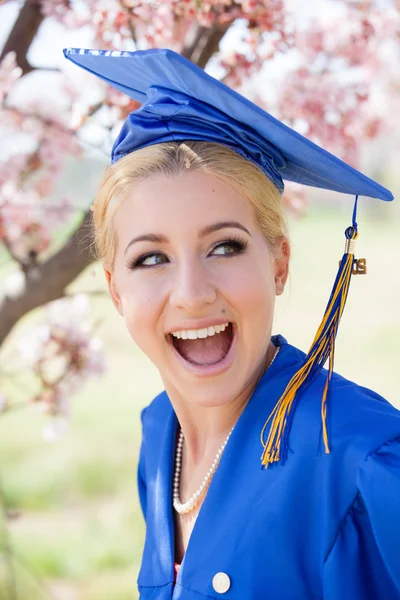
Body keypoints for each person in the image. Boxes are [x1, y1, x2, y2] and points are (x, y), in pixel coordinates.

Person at [64, 48, 400, 599]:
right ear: (114, 289)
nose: (192, 294)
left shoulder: (363, 466)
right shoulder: (160, 434)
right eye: (151, 258)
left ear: (280, 264)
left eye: (225, 246)